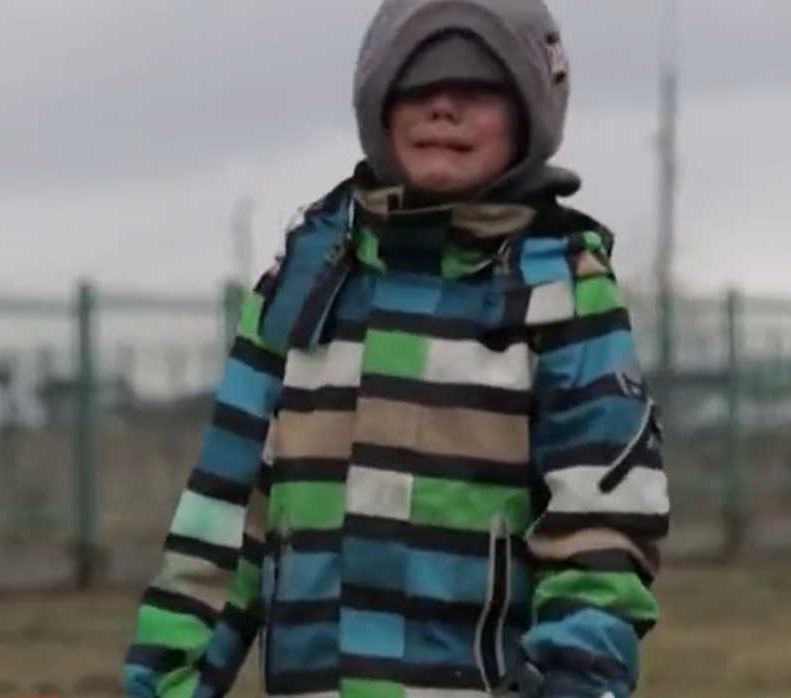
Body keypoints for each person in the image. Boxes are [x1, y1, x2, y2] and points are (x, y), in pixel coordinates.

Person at [121, 0, 670, 696]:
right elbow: (222, 523)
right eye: (416, 83)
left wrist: (577, 679)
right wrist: (165, 680)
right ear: (377, 102)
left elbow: (601, 526)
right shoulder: (302, 286)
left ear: (534, 107)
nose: (443, 107)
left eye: (478, 87)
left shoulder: (564, 292)